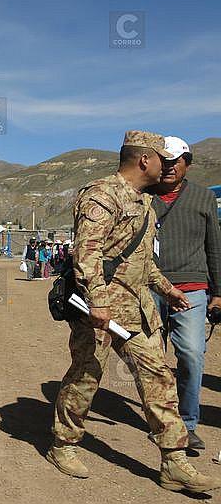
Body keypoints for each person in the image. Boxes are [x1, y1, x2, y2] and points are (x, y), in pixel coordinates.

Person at [46, 130, 221, 493]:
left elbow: (142, 261)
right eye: (162, 159)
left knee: (159, 376)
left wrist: (167, 289)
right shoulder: (102, 195)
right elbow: (87, 254)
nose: (166, 166)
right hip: (99, 311)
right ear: (145, 160)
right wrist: (98, 302)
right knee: (86, 375)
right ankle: (63, 443)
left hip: (137, 310)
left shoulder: (144, 202)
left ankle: (174, 460)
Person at [149, 136, 221, 450]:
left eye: (175, 161)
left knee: (191, 354)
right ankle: (159, 420)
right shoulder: (143, 195)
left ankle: (187, 424)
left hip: (191, 288)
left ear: (187, 164)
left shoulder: (204, 197)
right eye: (163, 161)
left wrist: (218, 292)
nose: (168, 167)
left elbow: (214, 246)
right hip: (149, 287)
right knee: (151, 359)